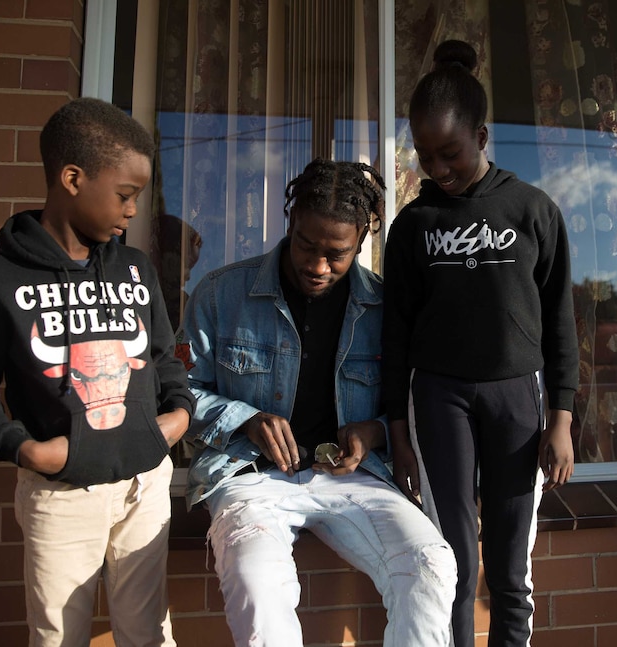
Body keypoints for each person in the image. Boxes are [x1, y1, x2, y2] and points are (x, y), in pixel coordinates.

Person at [0, 97, 195, 647]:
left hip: (143, 485)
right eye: (125, 195)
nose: (132, 211)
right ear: (73, 178)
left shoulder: (136, 268)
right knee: (59, 638)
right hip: (62, 493)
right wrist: (26, 450)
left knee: (148, 633)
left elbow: (162, 356)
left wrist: (175, 418)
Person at [181, 158, 458, 647]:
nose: (317, 265)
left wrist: (373, 432)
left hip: (354, 478)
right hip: (250, 478)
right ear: (290, 224)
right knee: (257, 582)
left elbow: (413, 402)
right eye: (307, 246)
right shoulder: (221, 294)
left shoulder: (385, 307)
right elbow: (180, 393)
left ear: (362, 242)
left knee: (430, 563)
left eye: (337, 254)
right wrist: (245, 420)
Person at [382, 40, 578, 647]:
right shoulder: (413, 225)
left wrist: (561, 419)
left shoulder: (532, 210)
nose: (437, 169)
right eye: (425, 155)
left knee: (510, 568)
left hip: (517, 401)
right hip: (439, 402)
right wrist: (397, 428)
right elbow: (396, 332)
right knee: (456, 564)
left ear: (483, 136)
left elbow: (560, 322)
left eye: (451, 153)